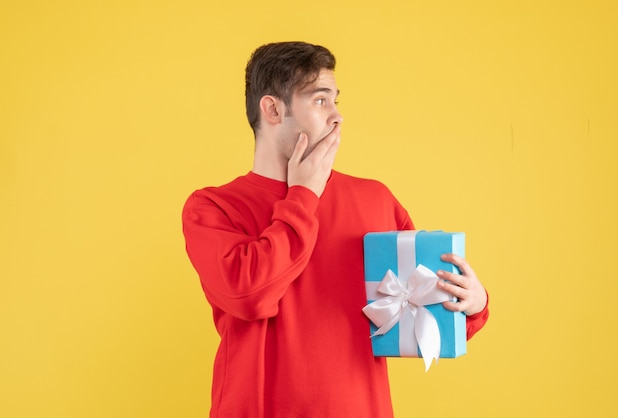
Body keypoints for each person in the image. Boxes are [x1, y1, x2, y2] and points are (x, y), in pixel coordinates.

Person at [182, 41, 489, 418]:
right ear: (273, 109)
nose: (337, 116)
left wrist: (473, 304)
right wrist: (304, 195)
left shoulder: (375, 199)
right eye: (320, 100)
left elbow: (421, 313)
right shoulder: (213, 207)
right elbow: (249, 294)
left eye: (336, 101)